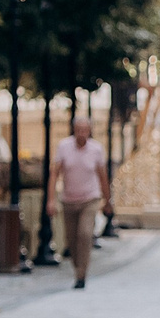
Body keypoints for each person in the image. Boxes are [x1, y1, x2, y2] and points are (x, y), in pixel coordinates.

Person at [48, 115, 109, 289]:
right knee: (71, 239)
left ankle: (82, 273)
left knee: (84, 234)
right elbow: (54, 174)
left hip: (90, 199)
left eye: (85, 130)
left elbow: (102, 176)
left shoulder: (96, 149)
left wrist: (107, 200)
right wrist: (51, 200)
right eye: (79, 130)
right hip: (69, 199)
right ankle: (77, 267)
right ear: (74, 130)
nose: (82, 133)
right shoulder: (64, 147)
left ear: (89, 131)